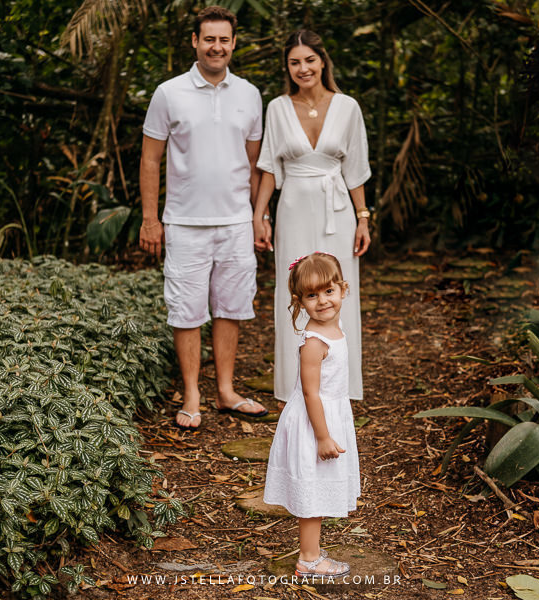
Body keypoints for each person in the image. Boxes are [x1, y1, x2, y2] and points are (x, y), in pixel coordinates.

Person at [139, 5, 268, 430]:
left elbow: (253, 166)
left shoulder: (249, 94)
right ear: (195, 41)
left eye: (224, 39)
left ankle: (227, 392)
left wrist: (257, 217)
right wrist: (150, 219)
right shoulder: (169, 93)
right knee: (187, 311)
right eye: (209, 39)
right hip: (184, 223)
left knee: (230, 308)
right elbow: (150, 159)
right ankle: (192, 394)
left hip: (234, 222)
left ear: (234, 43)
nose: (217, 46)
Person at [253, 29, 371, 405]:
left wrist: (364, 217)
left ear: (323, 61)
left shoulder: (348, 106)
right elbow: (270, 167)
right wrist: (260, 215)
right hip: (294, 210)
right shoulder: (277, 108)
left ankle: (339, 385)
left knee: (339, 288)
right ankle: (296, 384)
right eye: (294, 62)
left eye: (309, 60)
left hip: (337, 209)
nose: (303, 68)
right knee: (295, 289)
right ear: (287, 68)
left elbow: (355, 168)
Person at [263, 252, 360, 578]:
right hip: (314, 421)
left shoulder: (336, 328)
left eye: (329, 291)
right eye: (312, 295)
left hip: (329, 414)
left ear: (343, 289)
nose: (323, 301)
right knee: (315, 494)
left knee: (319, 489)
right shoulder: (314, 343)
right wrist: (322, 436)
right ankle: (308, 559)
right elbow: (310, 393)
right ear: (299, 301)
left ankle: (312, 551)